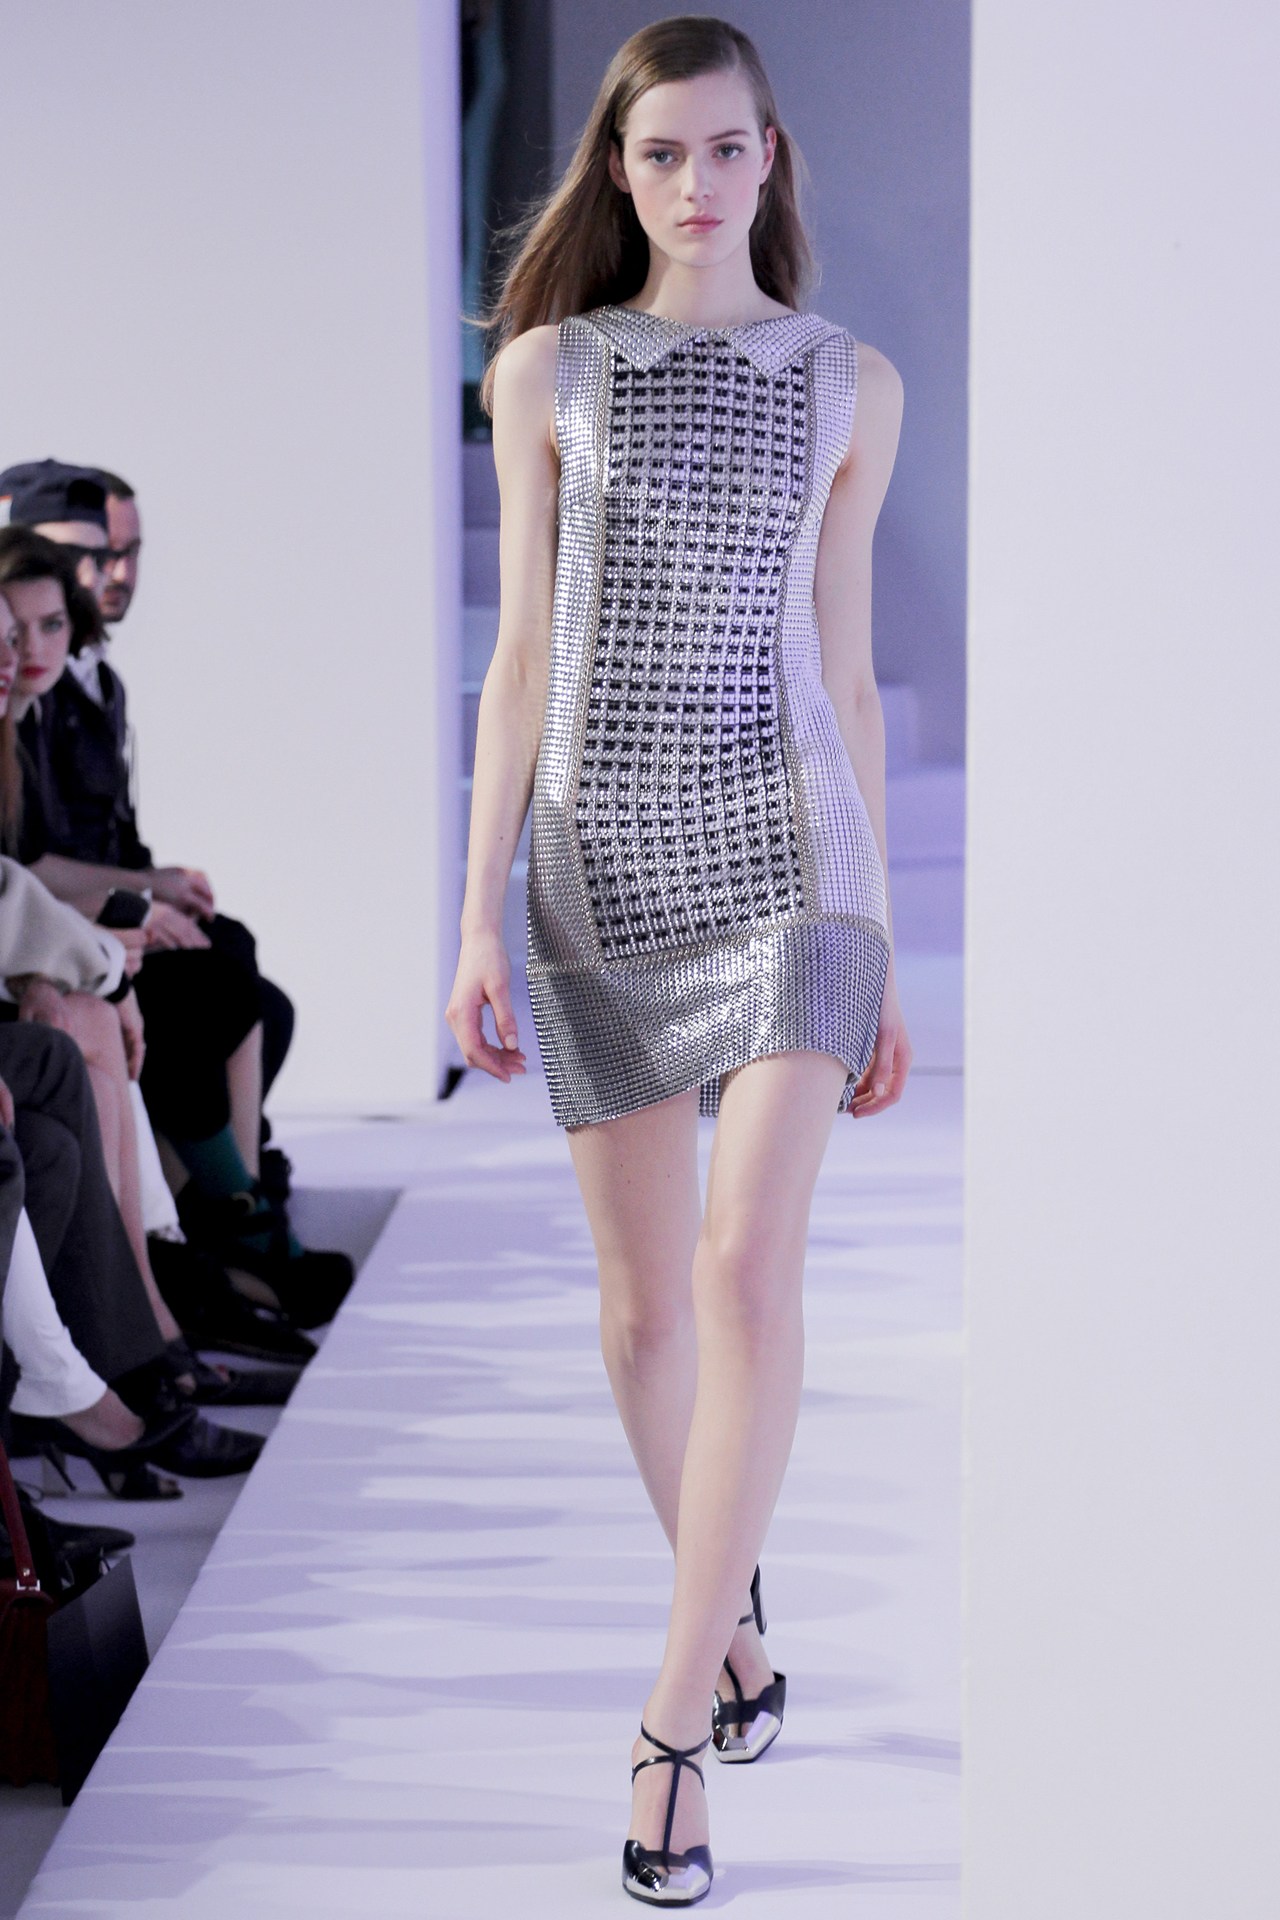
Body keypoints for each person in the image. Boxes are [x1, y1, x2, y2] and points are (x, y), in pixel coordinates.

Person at [447, 18, 912, 1907]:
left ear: (771, 156)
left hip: (794, 856)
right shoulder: (546, 371)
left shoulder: (851, 383)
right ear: (618, 170)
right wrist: (473, 912)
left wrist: (882, 955)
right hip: (596, 864)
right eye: (663, 155)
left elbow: (848, 668)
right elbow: (518, 662)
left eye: (728, 150)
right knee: (645, 1313)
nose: (699, 185)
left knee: (739, 1272)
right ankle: (733, 1627)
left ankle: (665, 1734)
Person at [0, 523, 351, 1332]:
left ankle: (228, 1215)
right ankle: (218, 1235)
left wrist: (135, 905)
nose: (28, 649)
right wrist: (123, 919)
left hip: (54, 944)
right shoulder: (32, 719)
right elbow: (25, 877)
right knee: (198, 995)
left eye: (47, 626)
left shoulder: (57, 709)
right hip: (45, 956)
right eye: (16, 631)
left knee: (234, 970)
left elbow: (33, 875)